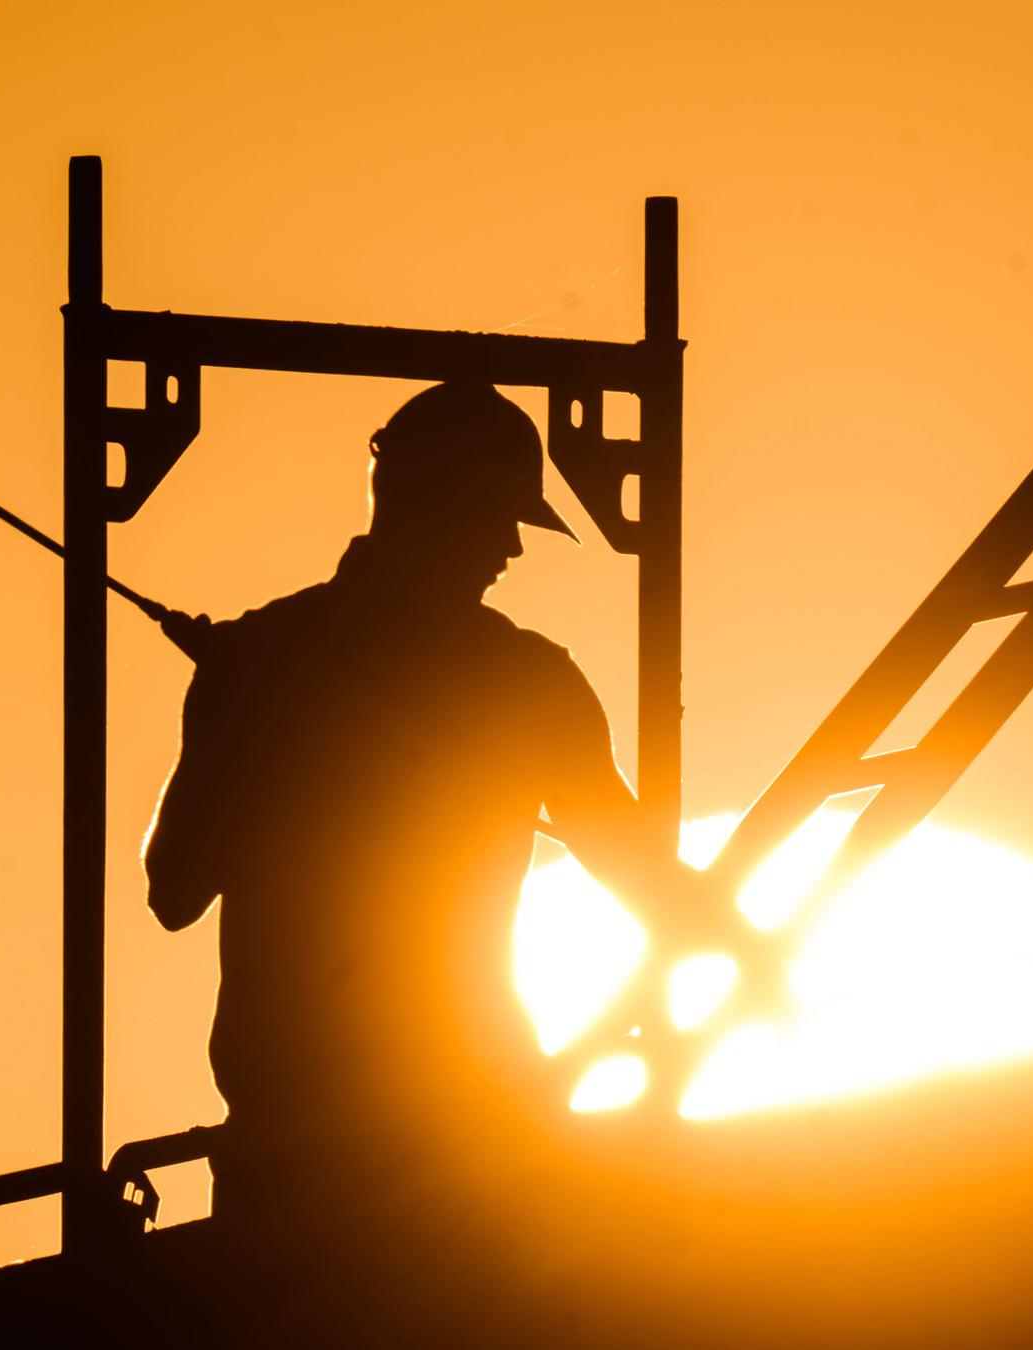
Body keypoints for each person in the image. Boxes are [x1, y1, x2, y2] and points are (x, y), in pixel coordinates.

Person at [141, 381, 698, 1236]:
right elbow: (646, 878)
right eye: (497, 517)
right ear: (433, 508)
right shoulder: (526, 682)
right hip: (457, 1144)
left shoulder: (259, 661)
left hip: (304, 1158)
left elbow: (174, 884)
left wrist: (251, 712)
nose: (512, 548)